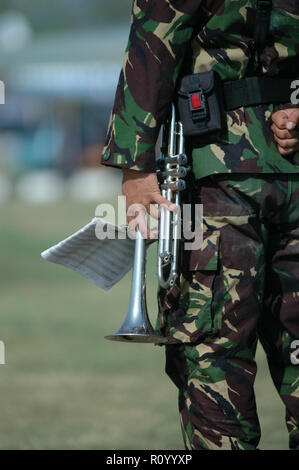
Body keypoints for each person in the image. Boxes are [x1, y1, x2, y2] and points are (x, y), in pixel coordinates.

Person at [100, 0, 299, 450]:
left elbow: (155, 40)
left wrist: (135, 167)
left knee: (213, 355)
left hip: (214, 175)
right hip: (282, 167)